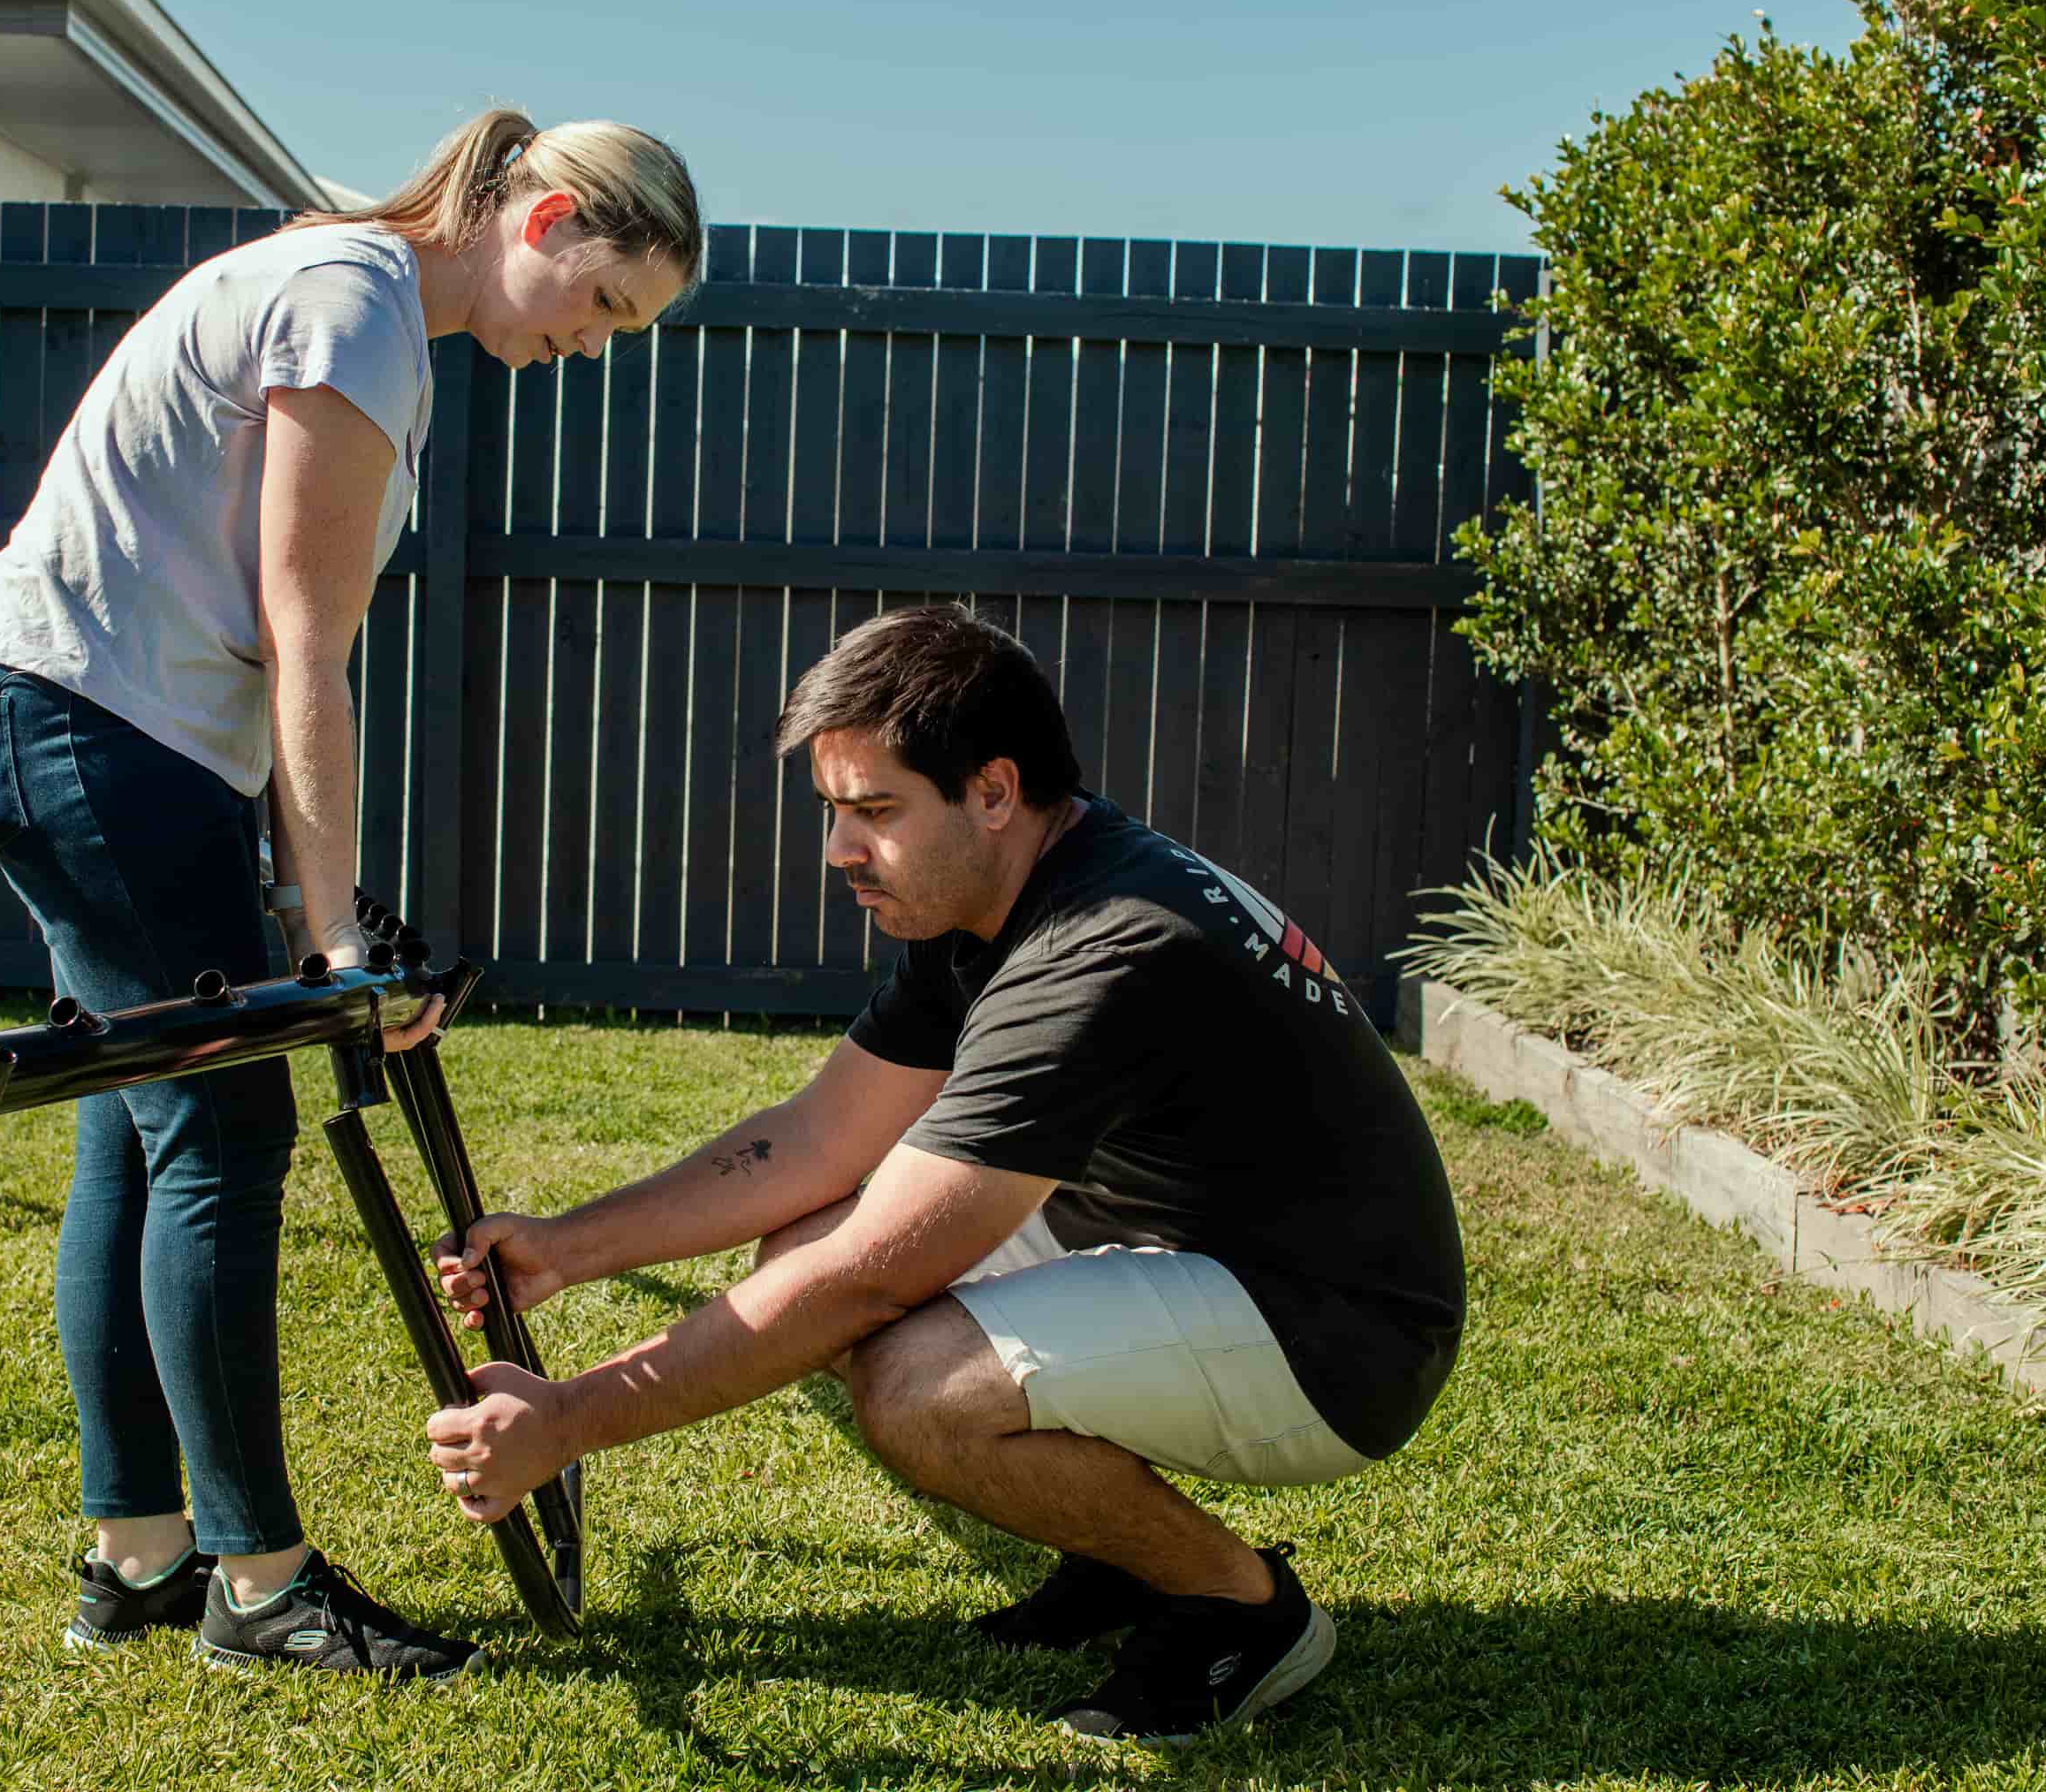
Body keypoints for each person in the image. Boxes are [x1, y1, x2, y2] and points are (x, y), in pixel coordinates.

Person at [0, 108, 703, 1680]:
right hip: (95, 733)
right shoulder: (356, 303)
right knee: (222, 1130)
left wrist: (306, 894)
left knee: (137, 1135)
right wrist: (336, 930)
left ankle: (141, 1554)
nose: (594, 346)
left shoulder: (342, 292)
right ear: (545, 220)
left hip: (78, 725)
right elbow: (307, 637)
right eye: (609, 305)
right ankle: (260, 1586)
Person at [423, 604, 1467, 1737]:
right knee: (806, 1246)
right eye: (833, 811)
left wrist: (568, 1419)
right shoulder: (992, 892)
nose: (839, 851)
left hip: (1335, 1339)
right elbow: (823, 1135)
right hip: (1200, 1250)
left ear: (994, 790)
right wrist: (569, 1246)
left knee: (918, 1383)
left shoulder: (1104, 946)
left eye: (875, 812)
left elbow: (869, 1280)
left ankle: (1240, 1608)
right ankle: (1118, 1552)